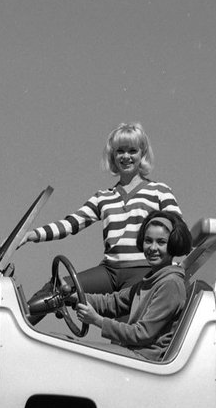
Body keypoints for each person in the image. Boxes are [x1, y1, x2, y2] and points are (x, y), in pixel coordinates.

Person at [21, 122, 182, 299]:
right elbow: (71, 223)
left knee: (121, 321)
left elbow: (177, 230)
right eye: (120, 151)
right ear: (113, 156)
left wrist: (172, 265)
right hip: (110, 271)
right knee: (57, 289)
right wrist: (31, 235)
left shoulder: (159, 191)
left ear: (142, 154)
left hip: (143, 269)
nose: (126, 156)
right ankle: (20, 319)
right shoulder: (103, 197)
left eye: (132, 151)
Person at [73, 210, 193, 360]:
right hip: (131, 354)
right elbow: (115, 302)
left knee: (71, 353)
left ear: (173, 245)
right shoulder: (151, 280)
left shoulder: (170, 284)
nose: (153, 248)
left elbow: (141, 334)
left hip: (144, 361)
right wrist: (75, 297)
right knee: (64, 344)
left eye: (161, 242)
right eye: (148, 241)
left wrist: (97, 320)